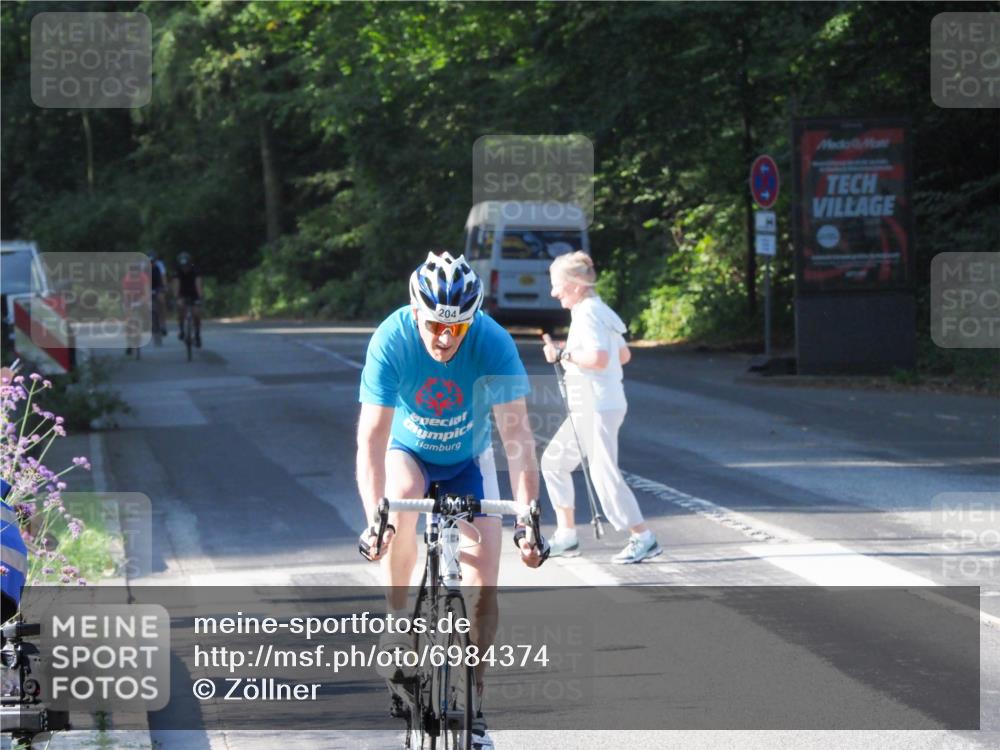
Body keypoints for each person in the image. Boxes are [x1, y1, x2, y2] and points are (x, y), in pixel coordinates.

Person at [356, 250, 545, 750]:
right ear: (417, 312)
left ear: (473, 322)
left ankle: (473, 702)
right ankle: (398, 624)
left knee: (486, 581)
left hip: (468, 459)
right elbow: (371, 439)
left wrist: (529, 520)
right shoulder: (392, 338)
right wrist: (374, 521)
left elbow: (519, 439)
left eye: (457, 329)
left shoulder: (493, 342)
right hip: (409, 452)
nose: (445, 338)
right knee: (398, 505)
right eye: (437, 325)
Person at [540, 251, 662, 563]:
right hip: (595, 403)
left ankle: (642, 536)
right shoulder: (597, 309)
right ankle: (567, 536)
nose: (554, 292)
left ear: (576, 285)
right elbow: (623, 355)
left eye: (558, 285)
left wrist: (562, 354)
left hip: (597, 406)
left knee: (604, 474)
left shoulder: (588, 313)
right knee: (554, 462)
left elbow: (600, 359)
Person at [121, 260, 150, 355]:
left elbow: (146, 293)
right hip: (130, 299)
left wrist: (142, 302)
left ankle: (146, 323)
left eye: (136, 270)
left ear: (139, 271)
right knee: (128, 320)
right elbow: (125, 294)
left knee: (147, 307)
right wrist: (127, 306)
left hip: (141, 298)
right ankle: (129, 344)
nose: (134, 272)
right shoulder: (126, 279)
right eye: (132, 270)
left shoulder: (143, 277)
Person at [173, 252, 202, 348]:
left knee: (196, 314)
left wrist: (199, 297)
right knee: (181, 308)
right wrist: (176, 297)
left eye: (186, 266)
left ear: (190, 264)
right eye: (182, 266)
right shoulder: (177, 271)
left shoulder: (195, 270)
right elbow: (176, 285)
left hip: (194, 293)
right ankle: (181, 330)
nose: (184, 268)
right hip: (182, 293)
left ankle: (197, 335)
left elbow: (198, 285)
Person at [148, 251, 168, 336]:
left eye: (153, 261)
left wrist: (165, 287)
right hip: (147, 285)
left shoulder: (160, 265)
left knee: (161, 300)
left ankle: (163, 324)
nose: (151, 263)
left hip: (158, 285)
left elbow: (163, 277)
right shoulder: (142, 266)